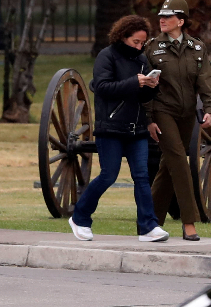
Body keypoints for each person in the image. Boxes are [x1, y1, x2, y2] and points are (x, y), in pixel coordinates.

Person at [68, 15, 169, 243]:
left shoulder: (142, 60)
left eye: (142, 43)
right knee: (108, 175)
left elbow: (141, 95)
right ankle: (80, 217)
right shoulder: (107, 56)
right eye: (135, 42)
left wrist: (150, 86)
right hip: (111, 127)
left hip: (136, 129)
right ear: (123, 36)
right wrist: (136, 82)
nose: (139, 46)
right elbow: (102, 87)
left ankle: (148, 227)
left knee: (142, 177)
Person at [144, 0, 211, 241]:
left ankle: (148, 221)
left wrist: (210, 108)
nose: (162, 20)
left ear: (181, 21)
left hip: (187, 114)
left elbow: (205, 80)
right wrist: (149, 119)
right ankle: (189, 222)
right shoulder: (152, 48)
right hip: (162, 111)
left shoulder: (197, 48)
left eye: (168, 17)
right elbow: (145, 86)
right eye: (161, 17)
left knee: (169, 165)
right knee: (178, 159)